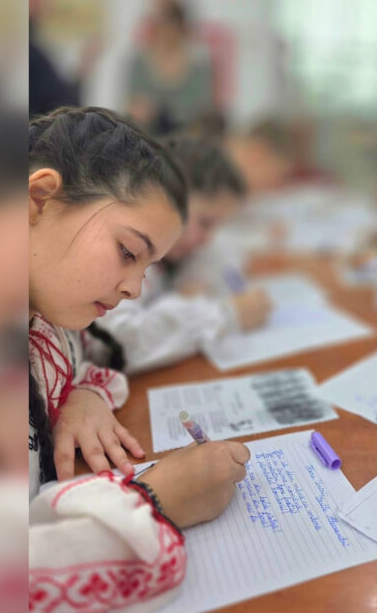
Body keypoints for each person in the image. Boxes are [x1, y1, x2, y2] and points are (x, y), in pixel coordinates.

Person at [28, 107, 250, 612]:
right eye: (128, 252)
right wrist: (153, 500)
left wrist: (85, 392)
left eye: (147, 268)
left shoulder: (51, 321)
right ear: (38, 199)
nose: (134, 289)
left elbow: (95, 355)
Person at [97, 134, 272, 374]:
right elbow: (116, 343)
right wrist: (225, 315)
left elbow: (221, 251)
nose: (207, 239)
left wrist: (192, 288)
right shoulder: (127, 257)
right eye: (205, 223)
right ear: (169, 198)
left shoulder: (170, 256)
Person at [126, 0, 214, 135]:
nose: (164, 28)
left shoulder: (198, 63)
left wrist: (160, 110)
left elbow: (203, 109)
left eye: (169, 21)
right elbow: (133, 106)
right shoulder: (139, 62)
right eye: (158, 22)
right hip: (147, 138)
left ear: (180, 24)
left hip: (187, 139)